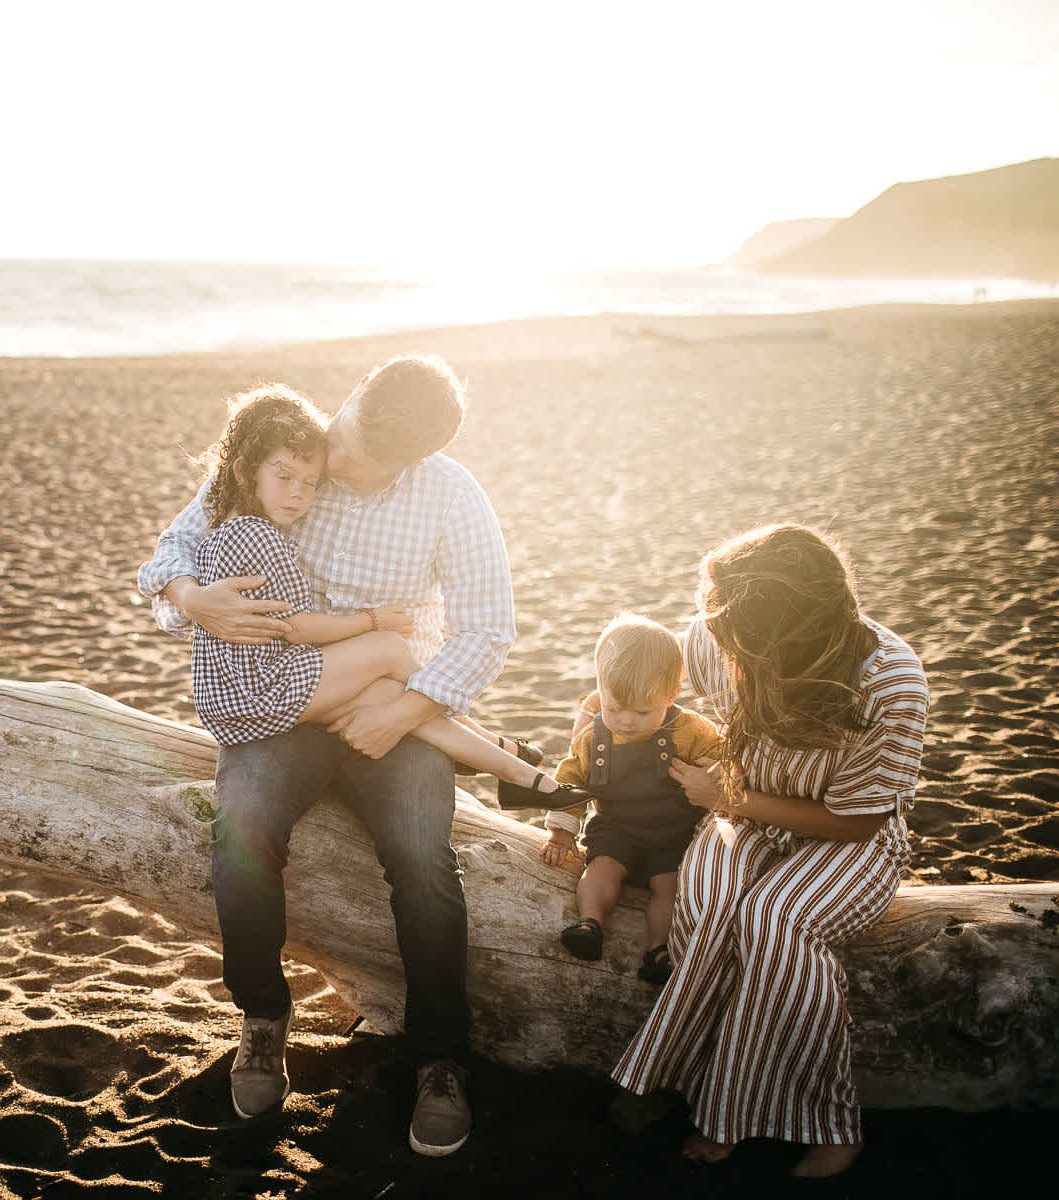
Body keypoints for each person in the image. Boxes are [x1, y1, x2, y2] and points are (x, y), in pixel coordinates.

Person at [137, 354, 518, 1157]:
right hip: (286, 704)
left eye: (352, 458)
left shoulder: (449, 494)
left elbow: (489, 628)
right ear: (352, 399)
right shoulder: (295, 448)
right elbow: (170, 553)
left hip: (389, 700)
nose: (332, 462)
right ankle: (264, 1017)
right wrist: (189, 599)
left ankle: (439, 1058)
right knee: (241, 824)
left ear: (407, 460)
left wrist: (406, 712)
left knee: (421, 855)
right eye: (339, 433)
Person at [607, 524, 928, 1179]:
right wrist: (601, 719)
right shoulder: (718, 633)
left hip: (846, 837)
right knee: (713, 902)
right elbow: (642, 686)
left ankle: (828, 1122)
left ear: (784, 640)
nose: (713, 638)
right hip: (742, 806)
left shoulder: (889, 682)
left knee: (778, 917)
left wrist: (727, 801)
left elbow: (859, 821)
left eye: (732, 636)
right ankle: (689, 1084)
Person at [190, 383, 579, 799]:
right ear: (245, 471)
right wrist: (373, 620)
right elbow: (292, 628)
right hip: (257, 688)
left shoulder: (251, 515)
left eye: (310, 482)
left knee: (396, 696)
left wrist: (400, 711)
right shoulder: (255, 528)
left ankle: (525, 778)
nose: (302, 492)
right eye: (286, 478)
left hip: (257, 686)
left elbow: (489, 631)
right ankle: (509, 759)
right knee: (389, 649)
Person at [518, 613, 722, 985]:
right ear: (600, 691)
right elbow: (571, 779)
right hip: (616, 828)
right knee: (601, 868)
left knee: (670, 887)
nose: (626, 721)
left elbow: (719, 754)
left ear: (672, 694)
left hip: (672, 834)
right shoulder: (592, 739)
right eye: (614, 709)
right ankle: (590, 923)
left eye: (643, 712)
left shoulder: (689, 730)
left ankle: (659, 950)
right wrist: (562, 833)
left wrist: (717, 770)